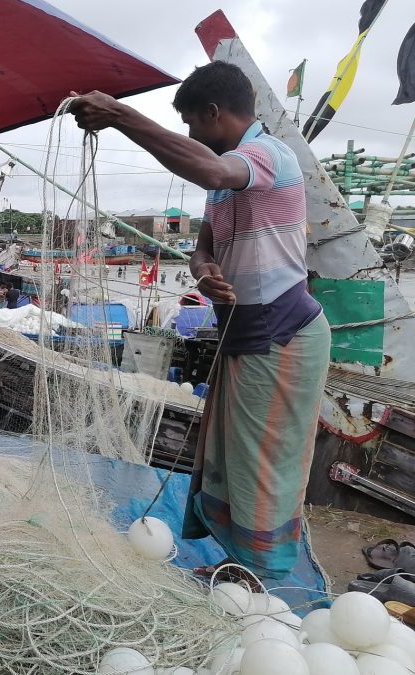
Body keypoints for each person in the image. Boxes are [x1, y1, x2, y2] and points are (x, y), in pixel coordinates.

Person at [71, 61, 329, 582]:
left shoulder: (268, 154)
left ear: (214, 113)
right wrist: (205, 269)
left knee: (263, 464)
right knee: (228, 456)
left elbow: (212, 171)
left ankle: (261, 578)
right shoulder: (224, 178)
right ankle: (241, 564)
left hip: (282, 338)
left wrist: (122, 115)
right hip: (242, 335)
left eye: (191, 123)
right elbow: (206, 244)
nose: (190, 135)